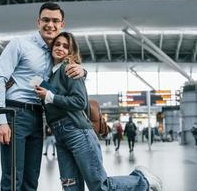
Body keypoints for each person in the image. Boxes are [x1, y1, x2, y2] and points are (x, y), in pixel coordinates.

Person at [35, 32, 162, 191]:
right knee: (70, 187)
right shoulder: (51, 74)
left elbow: (80, 102)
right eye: (57, 44)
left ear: (71, 52)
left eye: (66, 46)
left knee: (100, 187)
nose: (60, 48)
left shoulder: (69, 69)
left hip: (77, 132)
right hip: (60, 136)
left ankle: (142, 180)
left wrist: (50, 97)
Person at [0, 2, 85, 191]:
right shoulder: (20, 44)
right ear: (38, 22)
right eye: (46, 20)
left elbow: (66, 72)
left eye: (55, 21)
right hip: (15, 114)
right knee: (13, 176)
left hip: (38, 117)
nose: (50, 24)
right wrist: (1, 121)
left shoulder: (56, 53)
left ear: (62, 25)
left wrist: (83, 71)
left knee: (32, 177)